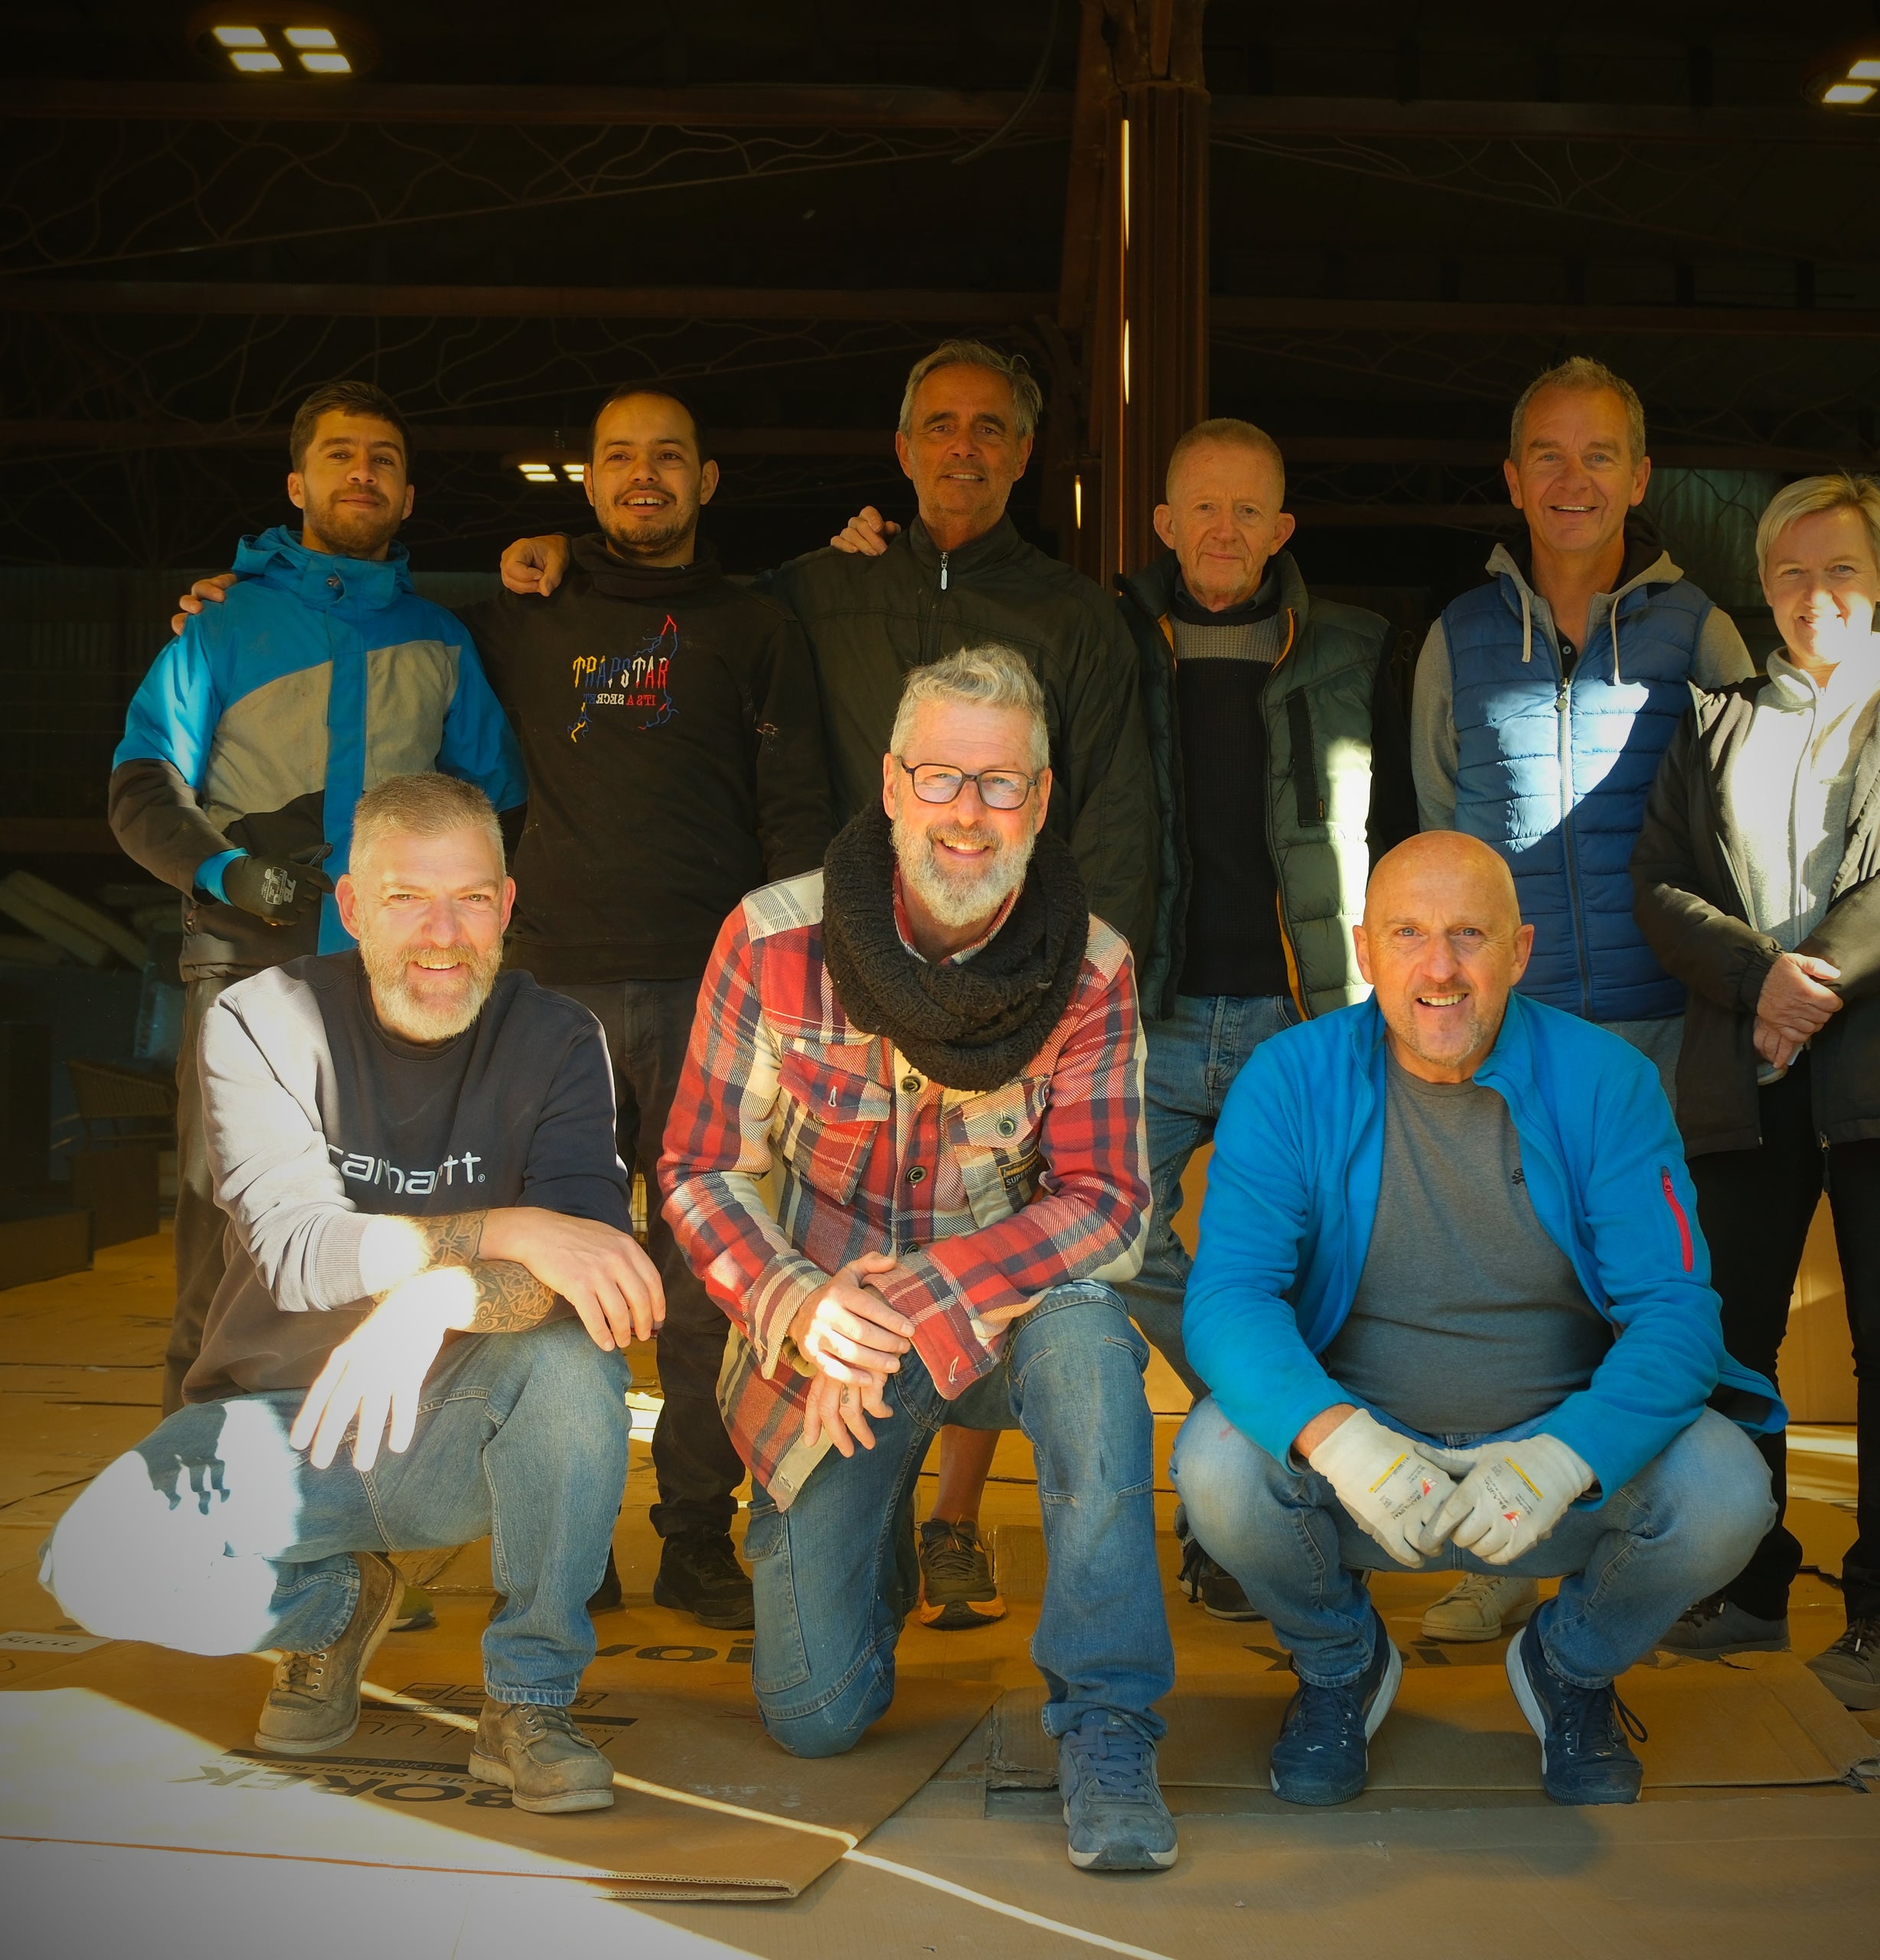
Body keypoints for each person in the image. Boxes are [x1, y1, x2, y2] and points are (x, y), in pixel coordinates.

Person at [499, 341, 1160, 1636]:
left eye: (989, 427)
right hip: (771, 971)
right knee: (602, 1260)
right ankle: (616, 1539)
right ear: (900, 449)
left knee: (1044, 1286)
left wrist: (1078, 982)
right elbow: (664, 617)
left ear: (1024, 453)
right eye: (938, 425)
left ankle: (855, 1531)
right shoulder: (815, 589)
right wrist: (551, 551)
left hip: (995, 973)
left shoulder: (1074, 616)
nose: (962, 446)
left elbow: (1116, 815)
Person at [163, 387, 832, 1635]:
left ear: (707, 480)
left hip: (712, 993)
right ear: (589, 481)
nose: (644, 476)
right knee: (555, 1269)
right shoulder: (516, 619)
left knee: (705, 1281)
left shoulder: (757, 627)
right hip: (551, 993)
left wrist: (791, 990)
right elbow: (375, 628)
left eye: (669, 457)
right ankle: (569, 1534)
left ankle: (697, 1532)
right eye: (620, 456)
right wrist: (232, 600)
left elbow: (797, 815)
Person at [824, 418, 1389, 1628]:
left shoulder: (1355, 646)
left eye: (1251, 510)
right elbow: (959, 672)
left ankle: (1254, 1522)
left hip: (1303, 1015)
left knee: (1320, 1269)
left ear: (1284, 529)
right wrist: (864, 556)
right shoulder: (1100, 628)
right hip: (1154, 1004)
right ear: (1164, 523)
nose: (1226, 531)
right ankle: (1244, 1443)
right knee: (1108, 1249)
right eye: (1204, 508)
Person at [43, 774, 661, 1817]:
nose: (442, 935)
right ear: (352, 905)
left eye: (471, 899)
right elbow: (300, 1253)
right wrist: (507, 1229)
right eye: (407, 898)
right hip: (289, 1424)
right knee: (98, 1562)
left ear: (507, 906)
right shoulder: (259, 1022)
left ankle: (528, 1701)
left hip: (462, 1426)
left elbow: (586, 1273)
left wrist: (430, 1303)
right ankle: (333, 1607)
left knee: (573, 1366)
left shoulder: (557, 1037)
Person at [654, 646, 1178, 1873]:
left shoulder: (1092, 967)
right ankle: (869, 1538)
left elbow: (1110, 1206)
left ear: (1040, 802)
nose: (967, 814)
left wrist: (926, 1296)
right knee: (816, 1716)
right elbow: (697, 1169)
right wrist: (798, 1306)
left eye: (1001, 785)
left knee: (1094, 1349)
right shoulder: (771, 941)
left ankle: (1109, 1718)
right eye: (941, 778)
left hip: (1005, 1321)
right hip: (831, 1346)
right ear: (892, 787)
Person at [1173, 831, 1780, 1808]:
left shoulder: (1609, 1081)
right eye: (1408, 934)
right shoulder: (1288, 1079)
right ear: (1365, 951)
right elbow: (1228, 1299)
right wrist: (1344, 1443)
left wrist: (1566, 1458)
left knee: (1727, 1489)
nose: (1440, 967)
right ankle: (1339, 1664)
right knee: (1216, 1463)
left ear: (1520, 950)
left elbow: (1676, 1314)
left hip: (1554, 1469)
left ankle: (1570, 1666)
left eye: (1470, 934)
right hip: (1364, 1468)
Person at [1631, 472, 1880, 1709]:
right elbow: (1659, 884)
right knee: (1735, 1343)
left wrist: (1821, 975)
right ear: (1764, 585)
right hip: (1749, 1078)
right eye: (1792, 573)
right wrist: (1760, 979)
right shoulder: (1717, 721)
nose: (1816, 595)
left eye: (1841, 568)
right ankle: (1751, 1585)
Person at [1402, 354, 1754, 1645]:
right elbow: (1441, 821)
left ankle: (1635, 1557)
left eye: (1599, 454)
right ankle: (1505, 1556)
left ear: (1640, 476)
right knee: (1523, 1305)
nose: (1573, 479)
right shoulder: (1457, 635)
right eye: (1546, 454)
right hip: (1515, 1037)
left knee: (1647, 1299)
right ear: (1511, 478)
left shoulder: (1700, 632)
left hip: (1661, 1029)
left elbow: (1742, 835)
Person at [111, 378, 527, 1416]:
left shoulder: (442, 643)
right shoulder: (220, 631)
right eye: (339, 455)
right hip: (249, 973)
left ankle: (367, 1482)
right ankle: (198, 1466)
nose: (362, 473)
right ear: (296, 483)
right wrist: (226, 873)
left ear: (409, 495)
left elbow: (497, 802)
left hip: (398, 981)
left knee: (392, 1225)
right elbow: (140, 787)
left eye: (384, 459)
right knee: (227, 1218)